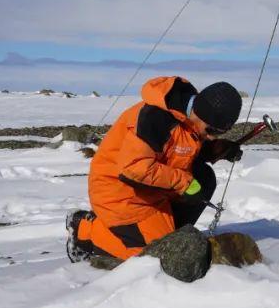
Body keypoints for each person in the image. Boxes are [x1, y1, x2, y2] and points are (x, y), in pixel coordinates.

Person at [66, 76, 243, 262]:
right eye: (212, 131)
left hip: (152, 192)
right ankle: (84, 230)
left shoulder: (190, 118)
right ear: (199, 113)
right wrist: (184, 182)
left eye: (220, 133)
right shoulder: (154, 118)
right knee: (155, 256)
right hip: (118, 192)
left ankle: (169, 233)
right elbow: (134, 167)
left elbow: (180, 150)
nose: (213, 137)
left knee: (204, 178)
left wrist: (219, 149)